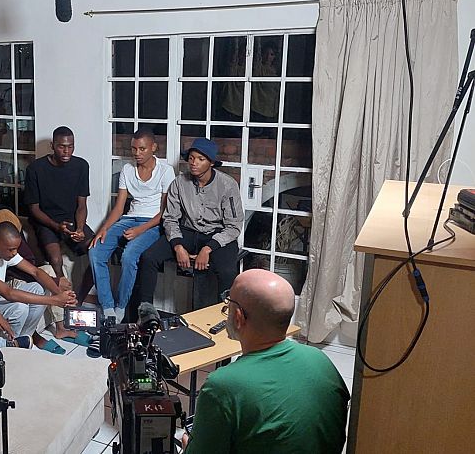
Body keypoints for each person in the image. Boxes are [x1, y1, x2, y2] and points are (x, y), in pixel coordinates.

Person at [181, 269, 350, 453]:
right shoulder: (320, 360)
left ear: (238, 317)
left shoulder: (223, 385)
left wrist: (187, 444)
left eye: (229, 301)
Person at [134, 138, 243, 311]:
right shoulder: (179, 182)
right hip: (188, 231)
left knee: (227, 271)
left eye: (201, 159)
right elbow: (170, 218)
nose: (194, 163)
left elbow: (234, 226)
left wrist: (207, 249)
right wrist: (178, 247)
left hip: (217, 234)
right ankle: (145, 311)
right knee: (149, 257)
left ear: (211, 163)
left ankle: (226, 316)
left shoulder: (227, 185)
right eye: (192, 158)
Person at [89, 128, 175, 321]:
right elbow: (119, 208)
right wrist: (103, 229)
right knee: (95, 251)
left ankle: (121, 306)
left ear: (154, 147)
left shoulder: (165, 171)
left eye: (142, 149)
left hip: (153, 223)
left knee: (129, 256)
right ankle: (108, 307)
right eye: (134, 149)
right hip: (128, 219)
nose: (137, 153)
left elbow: (164, 213)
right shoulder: (128, 170)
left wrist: (139, 230)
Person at [0, 222, 78, 354]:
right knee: (20, 308)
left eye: (16, 249)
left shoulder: (3, 253)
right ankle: (11, 346)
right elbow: (9, 293)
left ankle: (25, 339)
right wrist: (55, 300)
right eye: (11, 249)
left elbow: (35, 272)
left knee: (37, 287)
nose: (14, 253)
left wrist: (60, 294)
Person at [23, 126, 96, 303]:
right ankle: (64, 298)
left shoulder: (81, 166)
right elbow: (34, 209)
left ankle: (79, 298)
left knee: (98, 253)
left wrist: (79, 228)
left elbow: (82, 205)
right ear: (52, 146)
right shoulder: (35, 169)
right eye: (62, 146)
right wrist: (57, 227)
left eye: (70, 146)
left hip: (71, 221)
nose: (66, 151)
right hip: (46, 222)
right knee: (55, 260)